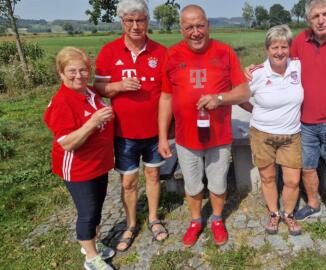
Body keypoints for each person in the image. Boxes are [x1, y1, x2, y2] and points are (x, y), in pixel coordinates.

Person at [245, 0, 326, 245]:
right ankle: (313, 204)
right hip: (305, 123)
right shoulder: (300, 41)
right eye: (315, 15)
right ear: (308, 19)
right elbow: (280, 62)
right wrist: (254, 69)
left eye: (325, 14)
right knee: (307, 169)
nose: (320, 19)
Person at [158, 5, 250, 248]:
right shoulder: (172, 55)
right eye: (189, 27)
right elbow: (166, 98)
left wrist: (220, 98)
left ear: (208, 25)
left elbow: (243, 90)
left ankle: (217, 219)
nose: (195, 32)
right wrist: (161, 137)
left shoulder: (224, 52)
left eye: (200, 25)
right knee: (193, 184)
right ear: (181, 29)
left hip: (218, 136)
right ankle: (196, 220)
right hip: (186, 137)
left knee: (218, 183)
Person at [93, 0, 168, 251]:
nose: (136, 26)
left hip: (155, 131)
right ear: (122, 22)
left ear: (148, 21)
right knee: (128, 182)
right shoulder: (109, 51)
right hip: (124, 132)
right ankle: (131, 224)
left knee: (153, 174)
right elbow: (98, 88)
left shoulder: (160, 52)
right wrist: (118, 87)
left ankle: (154, 218)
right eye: (130, 21)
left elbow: (169, 93)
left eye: (141, 20)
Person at [44, 47, 115, 270]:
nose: (79, 76)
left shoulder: (91, 92)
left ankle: (90, 244)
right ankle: (91, 258)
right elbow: (66, 143)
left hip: (99, 163)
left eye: (83, 70)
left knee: (97, 207)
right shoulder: (62, 102)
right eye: (72, 71)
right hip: (78, 168)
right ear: (61, 73)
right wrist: (92, 123)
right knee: (87, 212)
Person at [239, 25, 303, 236]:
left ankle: (289, 214)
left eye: (284, 46)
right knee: (267, 177)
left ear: (289, 48)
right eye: (274, 47)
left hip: (291, 135)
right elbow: (239, 96)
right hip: (262, 135)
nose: (279, 52)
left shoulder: (298, 66)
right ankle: (274, 213)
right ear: (267, 48)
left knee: (292, 180)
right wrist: (254, 109)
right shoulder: (256, 73)